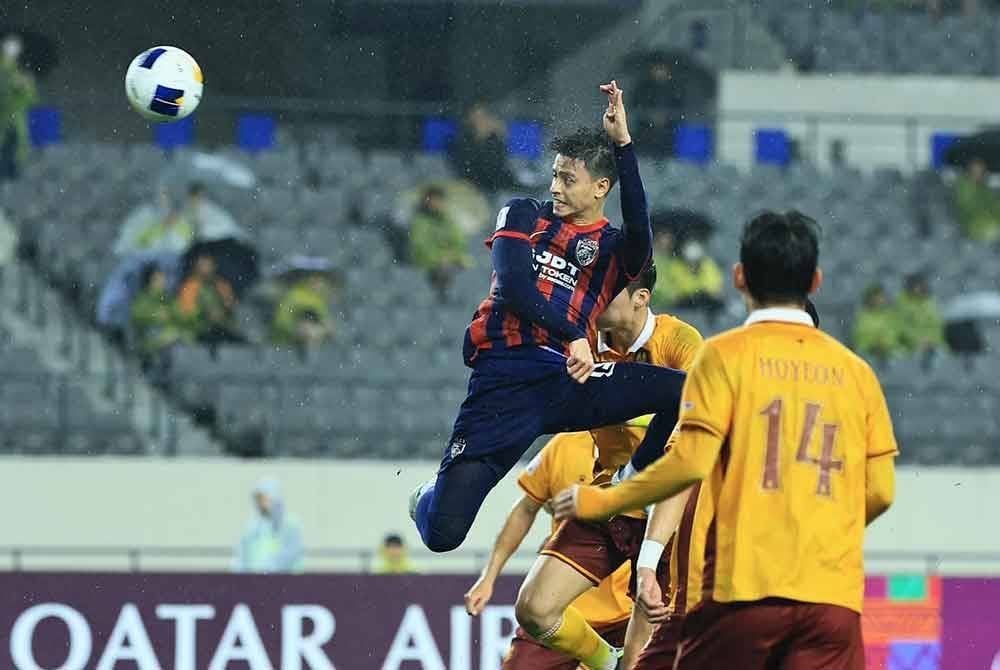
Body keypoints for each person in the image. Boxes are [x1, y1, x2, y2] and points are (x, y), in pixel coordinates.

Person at [554, 210, 898, 670]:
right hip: (831, 598)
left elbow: (686, 464)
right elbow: (880, 491)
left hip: (743, 592)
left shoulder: (721, 358)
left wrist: (606, 504)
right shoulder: (858, 375)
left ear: (739, 278)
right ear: (814, 280)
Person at [410, 83, 688, 581]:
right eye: (555, 175)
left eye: (568, 178)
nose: (555, 187)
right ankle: (424, 498)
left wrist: (624, 147)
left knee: (683, 391)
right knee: (443, 534)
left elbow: (642, 232)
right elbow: (516, 286)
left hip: (565, 381)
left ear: (601, 188)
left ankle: (628, 484)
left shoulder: (615, 249)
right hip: (503, 382)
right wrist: (574, 333)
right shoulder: (522, 214)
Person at [465, 263, 702, 669]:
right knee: (534, 609)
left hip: (669, 511)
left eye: (608, 291)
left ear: (640, 299)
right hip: (611, 499)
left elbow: (696, 430)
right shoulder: (581, 342)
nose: (593, 297)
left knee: (640, 663)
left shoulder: (680, 342)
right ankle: (603, 660)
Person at [408, 184, 472, 299]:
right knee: (444, 270)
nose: (436, 203)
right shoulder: (420, 222)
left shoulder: (449, 220)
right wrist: (440, 257)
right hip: (428, 262)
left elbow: (459, 241)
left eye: (439, 200)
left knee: (469, 267)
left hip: (450, 260)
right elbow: (421, 246)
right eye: (433, 200)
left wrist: (452, 255)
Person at [233, 478, 304, 573]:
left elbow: (290, 556)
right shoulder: (252, 527)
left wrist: (267, 570)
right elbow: (241, 557)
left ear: (274, 498)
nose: (260, 504)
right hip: (252, 583)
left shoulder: (290, 526)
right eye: (258, 500)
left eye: (264, 499)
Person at [449, 102, 517, 193]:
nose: (481, 120)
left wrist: (499, 136)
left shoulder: (495, 140)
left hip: (498, 185)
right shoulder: (462, 141)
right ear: (469, 119)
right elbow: (465, 168)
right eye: (476, 116)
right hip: (474, 187)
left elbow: (500, 166)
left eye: (483, 116)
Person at [176, 254, 241, 343]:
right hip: (199, 329)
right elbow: (186, 310)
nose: (205, 268)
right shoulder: (190, 286)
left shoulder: (221, 284)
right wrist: (205, 314)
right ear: (196, 267)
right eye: (202, 265)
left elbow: (232, 304)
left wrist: (225, 311)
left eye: (208, 265)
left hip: (223, 327)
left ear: (213, 266)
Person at [0, 34, 38, 181]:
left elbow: (32, 97)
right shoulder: (9, 72)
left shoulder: (18, 73)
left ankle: (11, 176)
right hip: (7, 119)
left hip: (15, 119)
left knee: (15, 147)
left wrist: (23, 86)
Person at [129, 264, 187, 361]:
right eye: (158, 278)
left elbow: (180, 313)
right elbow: (137, 314)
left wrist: (172, 312)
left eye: (163, 278)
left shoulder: (166, 297)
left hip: (172, 338)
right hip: (152, 341)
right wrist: (155, 314)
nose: (163, 281)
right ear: (150, 281)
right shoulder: (142, 298)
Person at [114, 190, 195, 256]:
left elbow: (187, 244)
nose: (162, 203)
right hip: (148, 256)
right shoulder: (147, 217)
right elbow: (137, 242)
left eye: (165, 199)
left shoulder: (183, 225)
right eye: (160, 199)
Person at [657, 237, 724, 313]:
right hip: (684, 303)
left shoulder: (709, 266)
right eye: (690, 262)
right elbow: (673, 292)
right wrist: (691, 294)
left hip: (705, 301)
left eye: (695, 262)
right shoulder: (675, 267)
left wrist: (702, 293)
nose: (693, 265)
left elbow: (715, 288)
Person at [270, 273, 335, 349]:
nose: (319, 284)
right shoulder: (294, 297)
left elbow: (328, 324)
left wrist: (322, 331)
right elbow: (281, 323)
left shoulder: (319, 301)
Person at [895, 272, 944, 357]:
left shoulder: (930, 303)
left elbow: (936, 326)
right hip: (908, 347)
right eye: (916, 286)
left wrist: (932, 340)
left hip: (931, 344)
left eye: (922, 285)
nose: (919, 288)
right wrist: (918, 341)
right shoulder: (901, 303)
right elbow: (900, 327)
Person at [852, 282, 904, 361]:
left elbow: (895, 334)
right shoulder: (862, 316)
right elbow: (859, 337)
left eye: (881, 297)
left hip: (889, 351)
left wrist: (885, 343)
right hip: (868, 352)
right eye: (876, 297)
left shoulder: (890, 315)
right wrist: (874, 343)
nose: (879, 300)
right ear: (870, 298)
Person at [953, 157, 1000, 243]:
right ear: (969, 172)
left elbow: (994, 206)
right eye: (976, 171)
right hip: (975, 227)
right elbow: (970, 208)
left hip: (987, 223)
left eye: (981, 171)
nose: (979, 174)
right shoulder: (965, 188)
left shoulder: (983, 188)